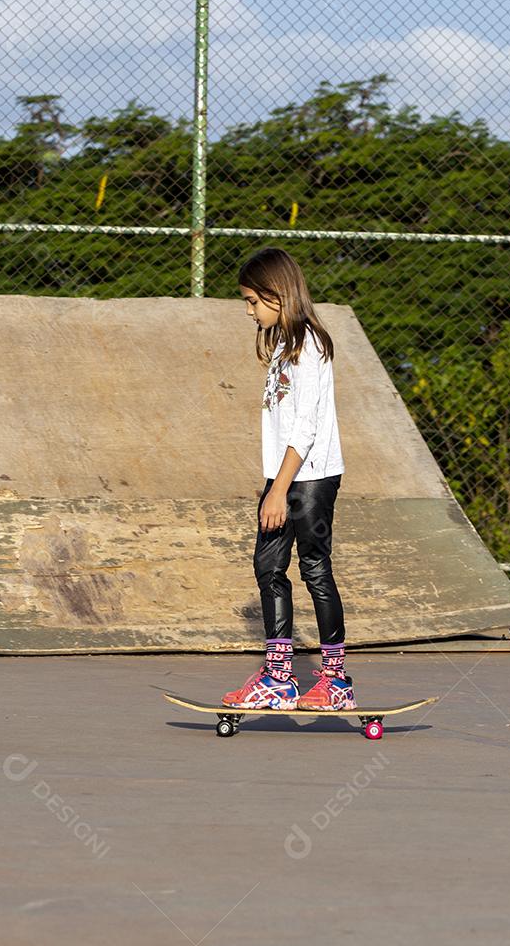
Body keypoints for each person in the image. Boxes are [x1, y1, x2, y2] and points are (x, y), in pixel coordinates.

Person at [222, 246, 357, 711]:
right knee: (268, 566)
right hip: (283, 475)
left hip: (312, 477)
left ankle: (336, 680)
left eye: (252, 301)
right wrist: (275, 483)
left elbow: (307, 426)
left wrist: (279, 490)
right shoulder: (282, 344)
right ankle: (280, 676)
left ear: (277, 295)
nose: (248, 311)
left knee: (315, 568)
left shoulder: (311, 345)